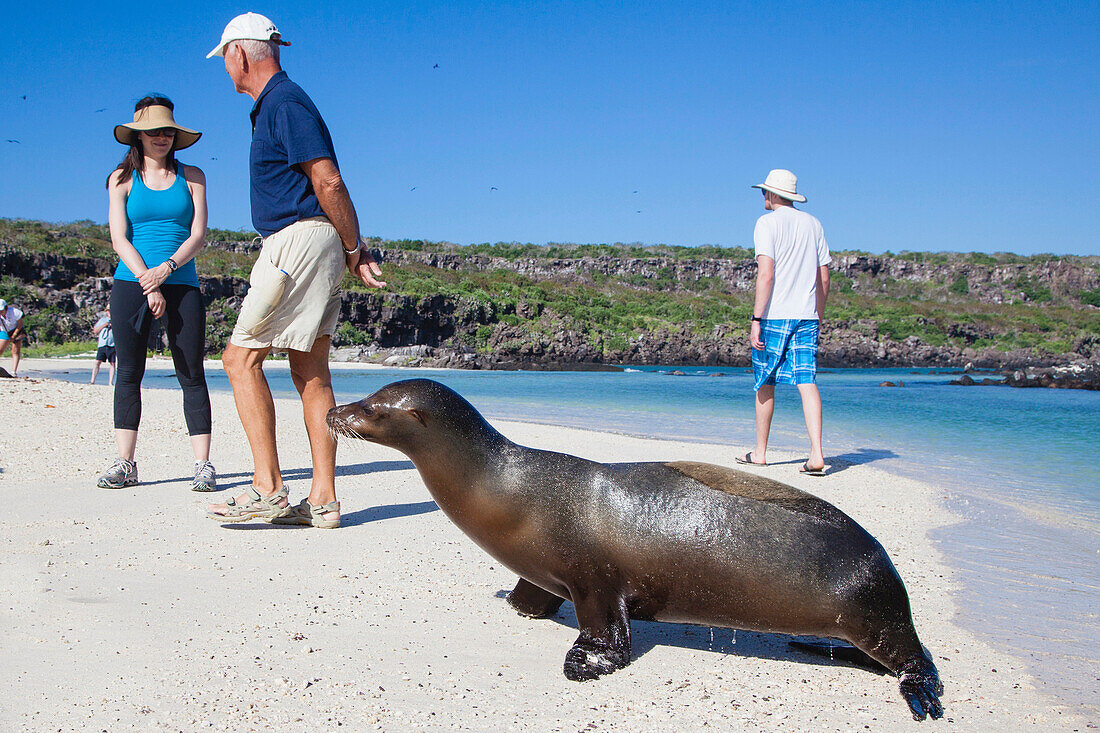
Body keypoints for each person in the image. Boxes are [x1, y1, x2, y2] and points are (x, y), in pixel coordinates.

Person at [205, 13, 386, 528]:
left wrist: (356, 244)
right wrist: (349, 246)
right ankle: (323, 500)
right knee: (310, 371)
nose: (226, 71)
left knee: (240, 360)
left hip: (298, 241)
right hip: (319, 241)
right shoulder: (281, 104)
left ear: (239, 54)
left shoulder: (283, 102)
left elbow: (327, 179)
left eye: (225, 61)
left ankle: (266, 488)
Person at [98, 96, 218, 493]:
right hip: (131, 281)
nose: (161, 137)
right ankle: (125, 463)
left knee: (191, 373)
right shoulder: (120, 179)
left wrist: (165, 271)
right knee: (129, 373)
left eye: (167, 130)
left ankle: (202, 465)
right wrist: (147, 281)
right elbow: (119, 238)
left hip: (182, 280)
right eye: (153, 132)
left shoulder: (195, 176)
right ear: (138, 136)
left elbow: (198, 234)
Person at [736, 169, 831, 475]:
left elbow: (766, 274)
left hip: (775, 314)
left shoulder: (766, 223)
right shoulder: (814, 224)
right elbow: (824, 277)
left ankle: (761, 453)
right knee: (807, 380)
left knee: (765, 381)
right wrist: (818, 312)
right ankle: (816, 454)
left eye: (764, 192)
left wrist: (756, 318)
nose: (762, 196)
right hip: (807, 316)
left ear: (774, 194)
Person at [0, 299, 26, 376]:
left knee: (15, 351)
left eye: (1, 310)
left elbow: (20, 324)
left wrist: (14, 335)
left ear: (6, 308)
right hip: (5, 331)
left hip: (17, 330)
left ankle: (14, 371)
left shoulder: (15, 312)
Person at [91, 308, 116, 385]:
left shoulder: (116, 319)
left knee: (112, 363)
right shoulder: (102, 320)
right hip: (102, 344)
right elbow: (95, 330)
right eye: (108, 310)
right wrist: (105, 324)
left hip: (112, 344)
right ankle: (92, 381)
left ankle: (110, 382)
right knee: (97, 362)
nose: (109, 312)